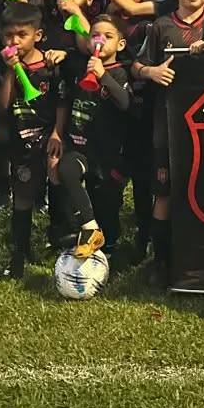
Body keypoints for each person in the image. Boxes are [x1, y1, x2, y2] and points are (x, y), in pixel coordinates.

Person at [134, 0, 204, 279]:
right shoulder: (161, 26)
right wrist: (151, 72)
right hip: (167, 124)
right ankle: (161, 262)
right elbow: (137, 66)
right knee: (164, 192)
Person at [50, 13, 133, 256]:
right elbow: (65, 97)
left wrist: (102, 75)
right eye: (95, 35)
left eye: (108, 36)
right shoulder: (78, 66)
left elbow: (126, 103)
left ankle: (108, 247)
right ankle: (89, 227)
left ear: (120, 44)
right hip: (79, 147)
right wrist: (61, 54)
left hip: (107, 155)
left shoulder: (120, 72)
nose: (100, 41)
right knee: (66, 170)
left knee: (106, 203)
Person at [0, 3, 66, 274]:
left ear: (37, 35)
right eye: (8, 35)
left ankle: (58, 239)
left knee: (57, 185)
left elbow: (62, 101)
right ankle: (20, 251)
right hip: (21, 141)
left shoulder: (50, 65)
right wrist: (10, 71)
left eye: (21, 35)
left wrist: (58, 132)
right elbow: (3, 104)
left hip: (50, 138)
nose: (14, 41)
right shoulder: (5, 66)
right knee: (23, 194)